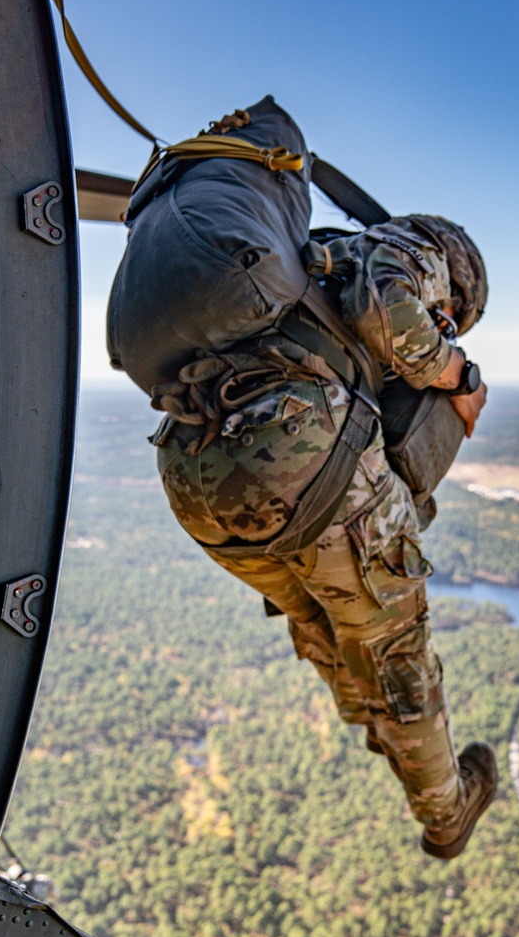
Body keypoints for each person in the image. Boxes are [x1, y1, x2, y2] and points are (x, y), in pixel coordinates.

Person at [141, 193, 498, 859]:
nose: (447, 323)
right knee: (395, 649)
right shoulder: (412, 255)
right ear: (457, 276)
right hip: (297, 462)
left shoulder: (307, 260)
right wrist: (460, 375)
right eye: (453, 318)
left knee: (326, 623)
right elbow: (390, 314)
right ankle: (447, 811)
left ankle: (387, 738)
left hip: (194, 477)